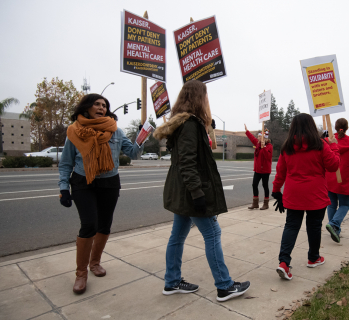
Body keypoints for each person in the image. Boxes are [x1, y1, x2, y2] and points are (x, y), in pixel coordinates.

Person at [153, 80, 250, 302]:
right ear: (199, 98)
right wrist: (197, 194)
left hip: (183, 189)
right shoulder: (189, 125)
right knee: (213, 234)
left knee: (177, 236)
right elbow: (188, 162)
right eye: (205, 96)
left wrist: (207, 128)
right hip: (191, 191)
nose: (208, 100)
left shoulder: (187, 123)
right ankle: (224, 286)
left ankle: (172, 281)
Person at [58, 94, 144, 294]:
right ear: (86, 107)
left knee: (104, 225)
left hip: (109, 182)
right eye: (96, 104)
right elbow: (66, 163)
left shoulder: (115, 130)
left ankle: (94, 263)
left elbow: (132, 153)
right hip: (83, 181)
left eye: (104, 105)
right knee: (89, 225)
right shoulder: (74, 131)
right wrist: (63, 187)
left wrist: (141, 137)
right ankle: (81, 274)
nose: (101, 107)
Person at [272, 114, 340, 280]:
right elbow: (333, 165)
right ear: (311, 126)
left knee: (291, 226)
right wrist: (335, 147)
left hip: (293, 193)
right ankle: (313, 257)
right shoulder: (320, 145)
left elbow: (281, 172)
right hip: (315, 193)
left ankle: (284, 262)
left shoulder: (287, 147)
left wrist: (276, 191)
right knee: (314, 226)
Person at [325, 118, 349, 243]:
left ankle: (334, 227)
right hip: (344, 179)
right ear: (346, 128)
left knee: (331, 204)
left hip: (330, 177)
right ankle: (335, 224)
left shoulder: (327, 141)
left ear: (335, 127)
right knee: (345, 204)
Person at [245, 125, 273, 210]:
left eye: (259, 137)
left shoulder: (269, 146)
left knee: (265, 186)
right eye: (258, 137)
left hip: (265, 170)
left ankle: (266, 203)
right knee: (254, 185)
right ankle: (255, 203)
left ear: (264, 138)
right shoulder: (257, 144)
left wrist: (263, 147)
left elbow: (268, 157)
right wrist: (247, 131)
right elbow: (252, 138)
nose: (258, 138)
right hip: (257, 170)